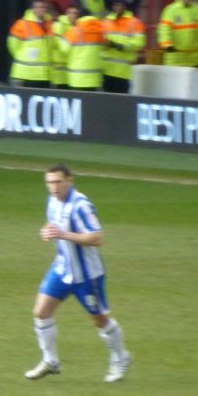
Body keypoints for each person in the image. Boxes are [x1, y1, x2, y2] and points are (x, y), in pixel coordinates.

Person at [26, 164, 132, 384]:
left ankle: (121, 357)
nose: (53, 187)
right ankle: (50, 361)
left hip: (87, 276)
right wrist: (48, 231)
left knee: (99, 319)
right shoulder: (52, 202)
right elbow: (55, 227)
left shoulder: (81, 205)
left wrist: (64, 234)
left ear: (69, 181)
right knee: (41, 312)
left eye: (58, 182)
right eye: (49, 182)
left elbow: (97, 238)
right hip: (62, 268)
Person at [101, 0, 146, 94]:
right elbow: (100, 40)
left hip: (123, 72)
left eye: (120, 5)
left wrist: (120, 46)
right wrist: (105, 44)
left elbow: (139, 43)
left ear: (125, 6)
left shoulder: (134, 22)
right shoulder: (105, 22)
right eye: (115, 5)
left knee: (121, 101)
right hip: (107, 70)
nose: (117, 7)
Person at [7, 0, 53, 88]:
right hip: (25, 74)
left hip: (43, 74)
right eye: (38, 7)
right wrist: (21, 56)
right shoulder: (22, 23)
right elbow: (12, 44)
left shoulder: (49, 24)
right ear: (33, 9)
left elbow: (49, 46)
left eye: (43, 7)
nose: (40, 9)